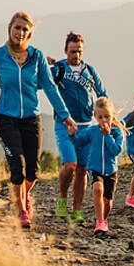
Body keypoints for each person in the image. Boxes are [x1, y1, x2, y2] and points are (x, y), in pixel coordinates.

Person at [0, 11, 77, 229]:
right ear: (10, 28)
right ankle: (22, 211)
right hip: (6, 118)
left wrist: (65, 116)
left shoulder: (37, 57)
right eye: (17, 28)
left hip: (31, 119)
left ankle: (24, 195)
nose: (20, 32)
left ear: (30, 33)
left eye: (25, 29)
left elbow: (51, 88)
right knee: (17, 165)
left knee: (33, 171)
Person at [48, 32, 107, 223]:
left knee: (82, 168)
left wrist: (106, 117)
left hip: (86, 125)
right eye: (73, 51)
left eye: (79, 51)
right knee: (70, 165)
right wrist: (47, 64)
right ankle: (63, 198)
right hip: (65, 124)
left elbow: (102, 93)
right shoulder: (59, 69)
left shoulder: (89, 70)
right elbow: (42, 82)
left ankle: (77, 210)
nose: (76, 55)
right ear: (66, 50)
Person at [73, 97, 124, 234]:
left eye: (107, 117)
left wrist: (108, 136)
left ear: (112, 116)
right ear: (95, 116)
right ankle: (100, 222)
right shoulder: (92, 130)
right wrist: (72, 135)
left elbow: (116, 151)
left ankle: (103, 221)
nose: (104, 120)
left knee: (108, 202)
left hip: (110, 171)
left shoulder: (117, 133)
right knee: (97, 188)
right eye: (100, 117)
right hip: (94, 167)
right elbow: (79, 142)